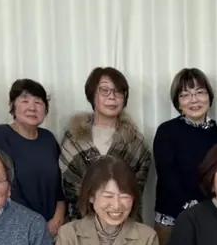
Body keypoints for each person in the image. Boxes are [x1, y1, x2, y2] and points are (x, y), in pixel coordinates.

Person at [152, 68, 217, 245]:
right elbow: (167, 174)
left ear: (209, 97)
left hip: (212, 220)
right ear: (178, 103)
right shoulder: (167, 131)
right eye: (185, 95)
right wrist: (192, 209)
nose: (194, 100)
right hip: (171, 221)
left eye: (200, 93)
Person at [60, 67, 150, 222]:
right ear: (92, 95)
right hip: (80, 222)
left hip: (125, 221)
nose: (112, 97)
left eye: (118, 92)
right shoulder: (74, 138)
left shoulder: (135, 141)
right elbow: (68, 183)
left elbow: (136, 188)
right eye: (105, 91)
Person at [0, 79, 66, 236]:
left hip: (52, 230)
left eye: (38, 102)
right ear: (12, 106)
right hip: (14, 227)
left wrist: (58, 218)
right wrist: (36, 225)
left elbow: (60, 186)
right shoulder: (1, 134)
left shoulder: (48, 138)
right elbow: (3, 186)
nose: (32, 107)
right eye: (25, 101)